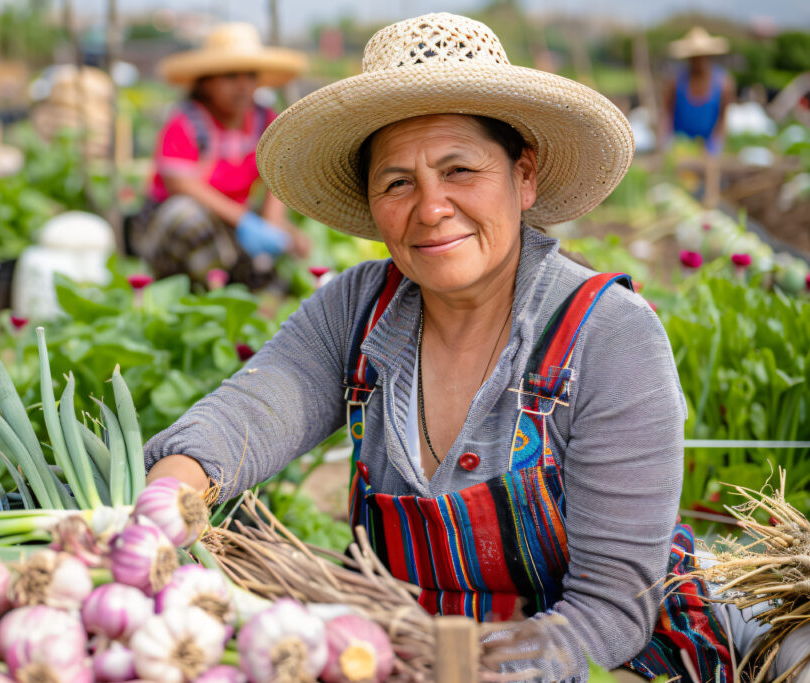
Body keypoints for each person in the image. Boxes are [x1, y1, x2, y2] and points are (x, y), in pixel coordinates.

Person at [146, 13, 732, 681]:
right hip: (404, 651)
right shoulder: (358, 307)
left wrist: (469, 669)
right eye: (398, 182)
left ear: (525, 175)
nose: (431, 208)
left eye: (460, 169)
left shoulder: (606, 334)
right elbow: (248, 415)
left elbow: (609, 609)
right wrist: (171, 493)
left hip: (588, 659)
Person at [130, 22, 311, 290]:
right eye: (230, 76)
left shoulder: (264, 121)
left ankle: (253, 294)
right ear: (205, 83)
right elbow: (181, 185)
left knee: (294, 239)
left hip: (230, 223)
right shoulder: (186, 123)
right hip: (175, 233)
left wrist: (273, 224)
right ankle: (208, 293)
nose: (241, 86)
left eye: (249, 76)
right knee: (187, 217)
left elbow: (277, 172)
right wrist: (246, 222)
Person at [660, 26, 735, 156]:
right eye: (694, 56)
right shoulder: (676, 82)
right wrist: (665, 144)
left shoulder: (723, 83)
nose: (698, 60)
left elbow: (723, 119)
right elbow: (666, 114)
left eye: (702, 56)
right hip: (680, 147)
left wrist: (715, 147)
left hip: (708, 149)